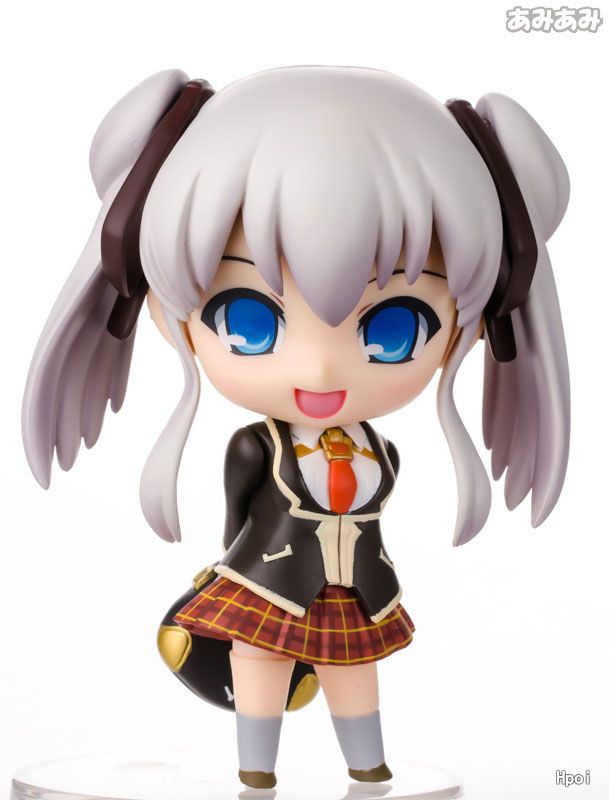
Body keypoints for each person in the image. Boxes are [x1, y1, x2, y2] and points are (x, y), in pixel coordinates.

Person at [22, 66, 570, 789]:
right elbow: (238, 517)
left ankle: (367, 765)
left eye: (393, 330)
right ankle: (256, 771)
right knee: (261, 663)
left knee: (355, 668)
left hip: (357, 588)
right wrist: (225, 572)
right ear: (160, 307)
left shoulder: (382, 452)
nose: (318, 368)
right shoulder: (257, 446)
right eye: (248, 321)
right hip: (268, 581)